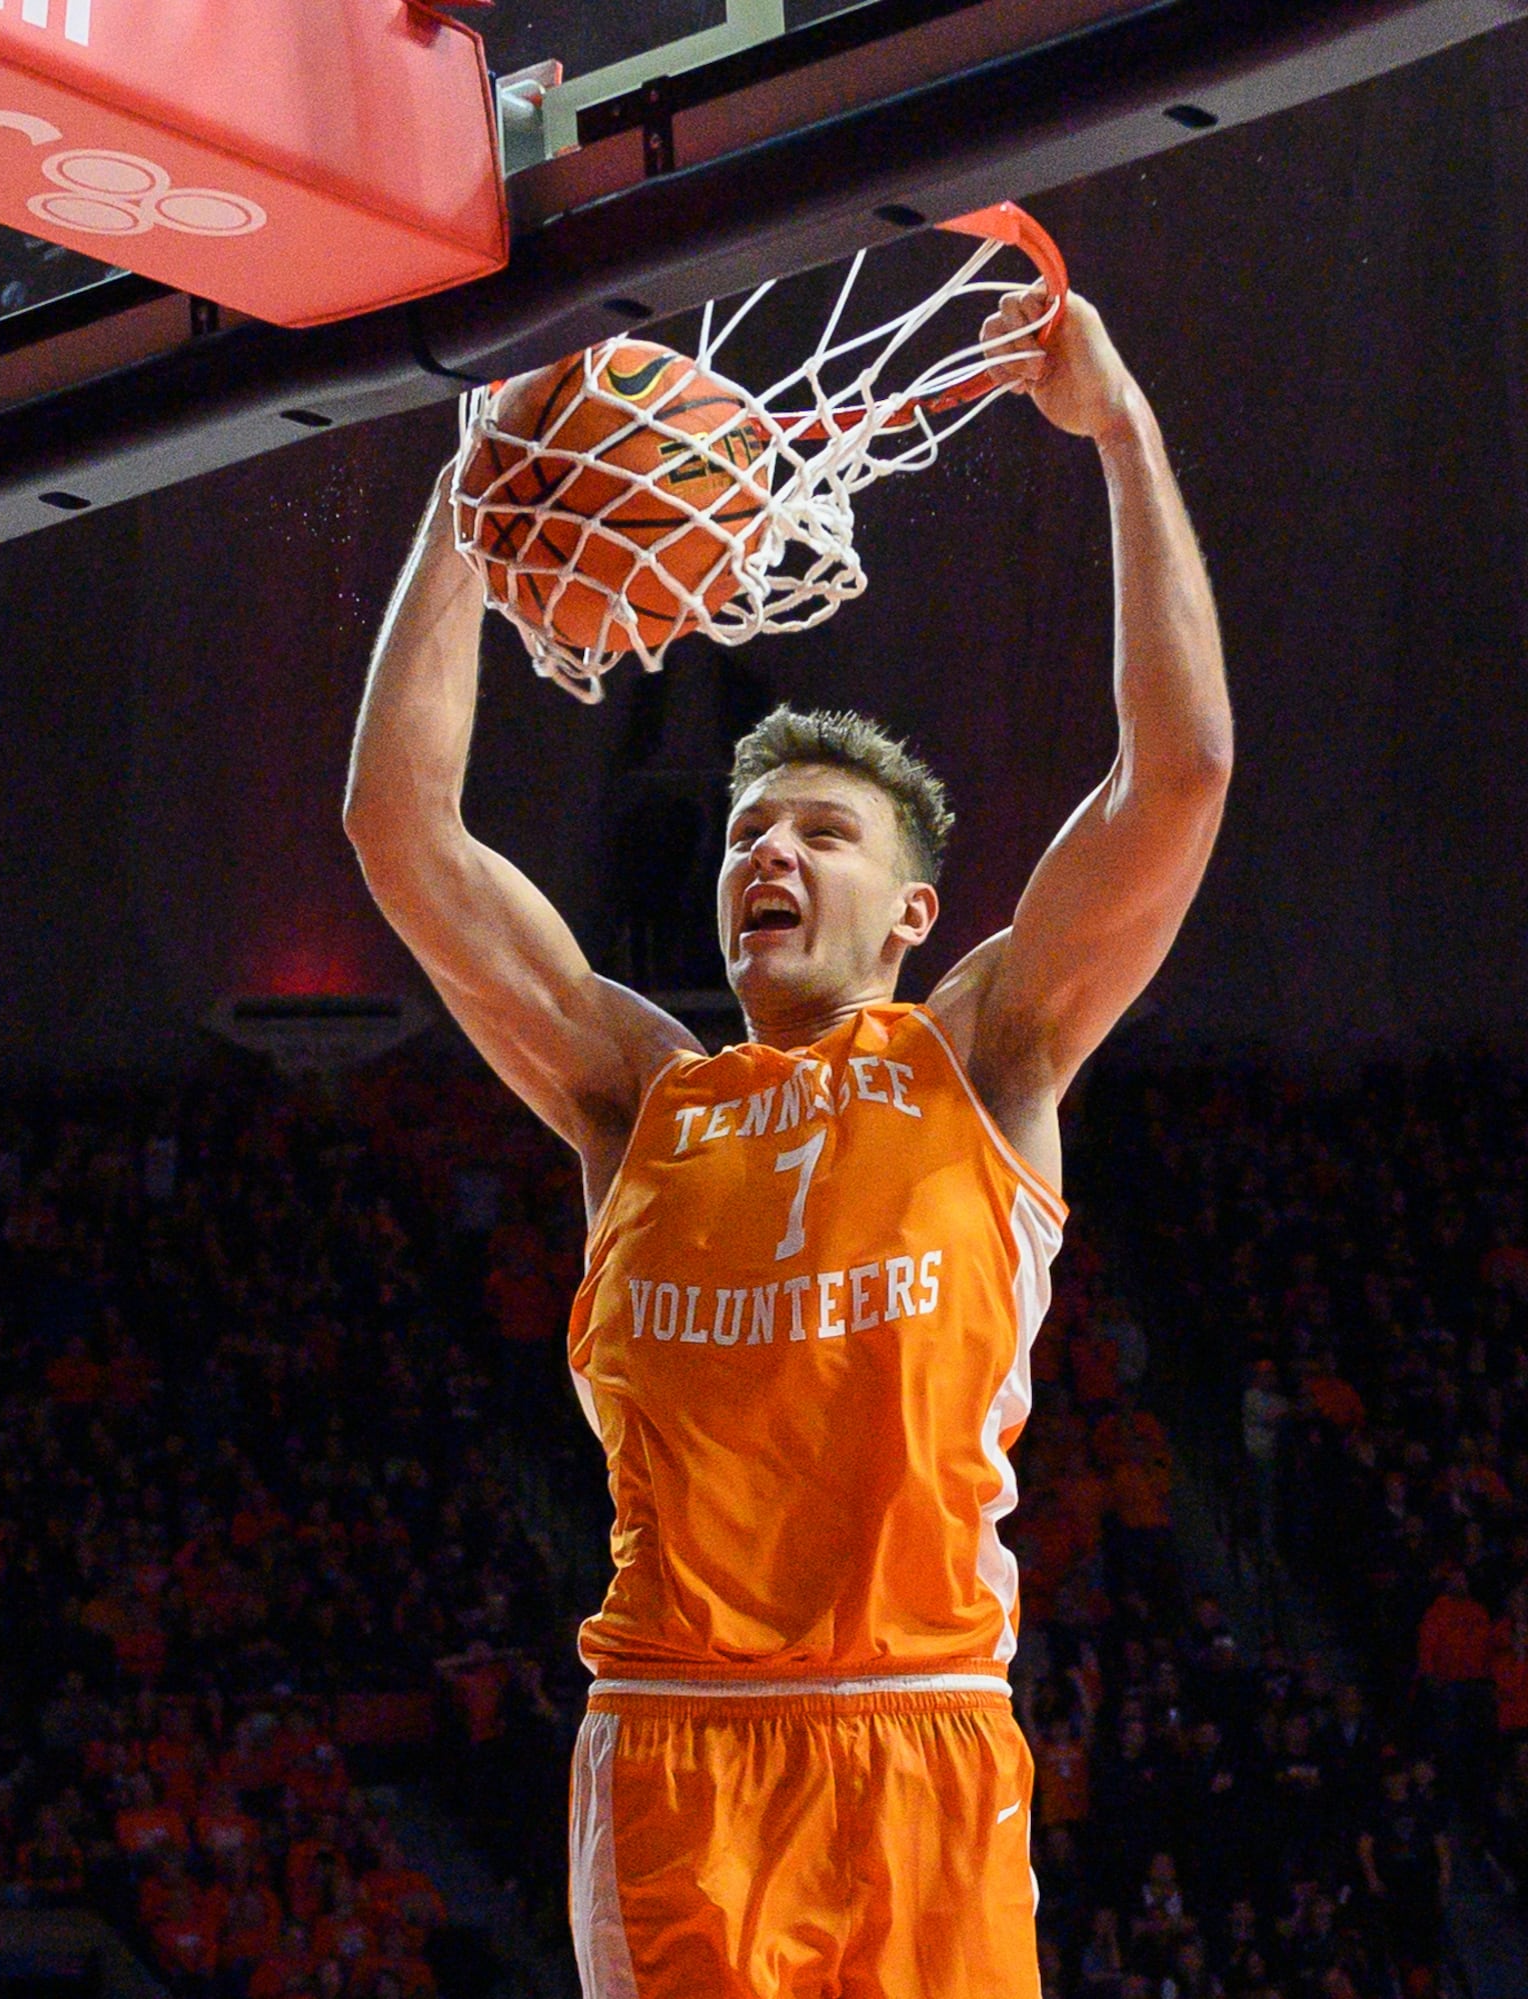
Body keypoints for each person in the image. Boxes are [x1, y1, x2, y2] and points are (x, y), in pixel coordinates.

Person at [344, 282, 1229, 1999]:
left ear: (910, 912)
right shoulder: (635, 1098)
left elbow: (1179, 771)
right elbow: (401, 829)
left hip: (924, 1731)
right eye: (752, 830)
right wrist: (474, 501)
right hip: (684, 1742)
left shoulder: (989, 1056)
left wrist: (1124, 437)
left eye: (821, 834)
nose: (772, 854)